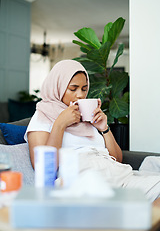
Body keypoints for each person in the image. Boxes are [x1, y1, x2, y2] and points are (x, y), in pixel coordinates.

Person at [24, 59, 160, 206]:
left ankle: (141, 218)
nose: (80, 95)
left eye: (84, 88)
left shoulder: (87, 116)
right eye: (73, 88)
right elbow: (42, 167)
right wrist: (60, 124)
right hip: (86, 184)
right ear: (58, 86)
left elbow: (117, 158)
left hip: (121, 178)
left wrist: (104, 128)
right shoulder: (42, 116)